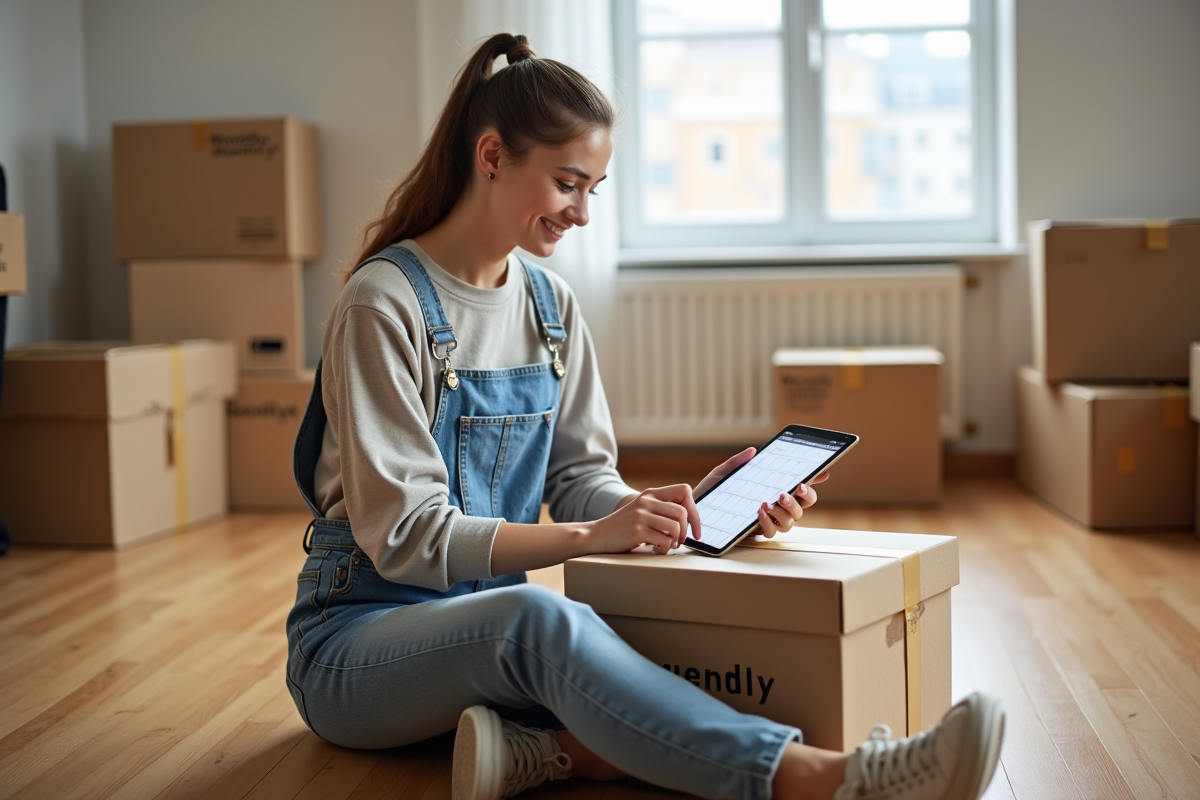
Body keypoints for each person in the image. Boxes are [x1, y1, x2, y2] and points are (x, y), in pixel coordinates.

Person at [286, 32, 1005, 800]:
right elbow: (407, 536)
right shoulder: (382, 303)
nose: (583, 213)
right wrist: (591, 538)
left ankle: (553, 753)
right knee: (537, 621)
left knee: (650, 633)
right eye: (569, 184)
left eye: (594, 188)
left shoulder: (548, 305)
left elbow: (579, 477)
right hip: (356, 647)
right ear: (492, 157)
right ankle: (825, 781)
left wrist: (675, 511)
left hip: (482, 633)